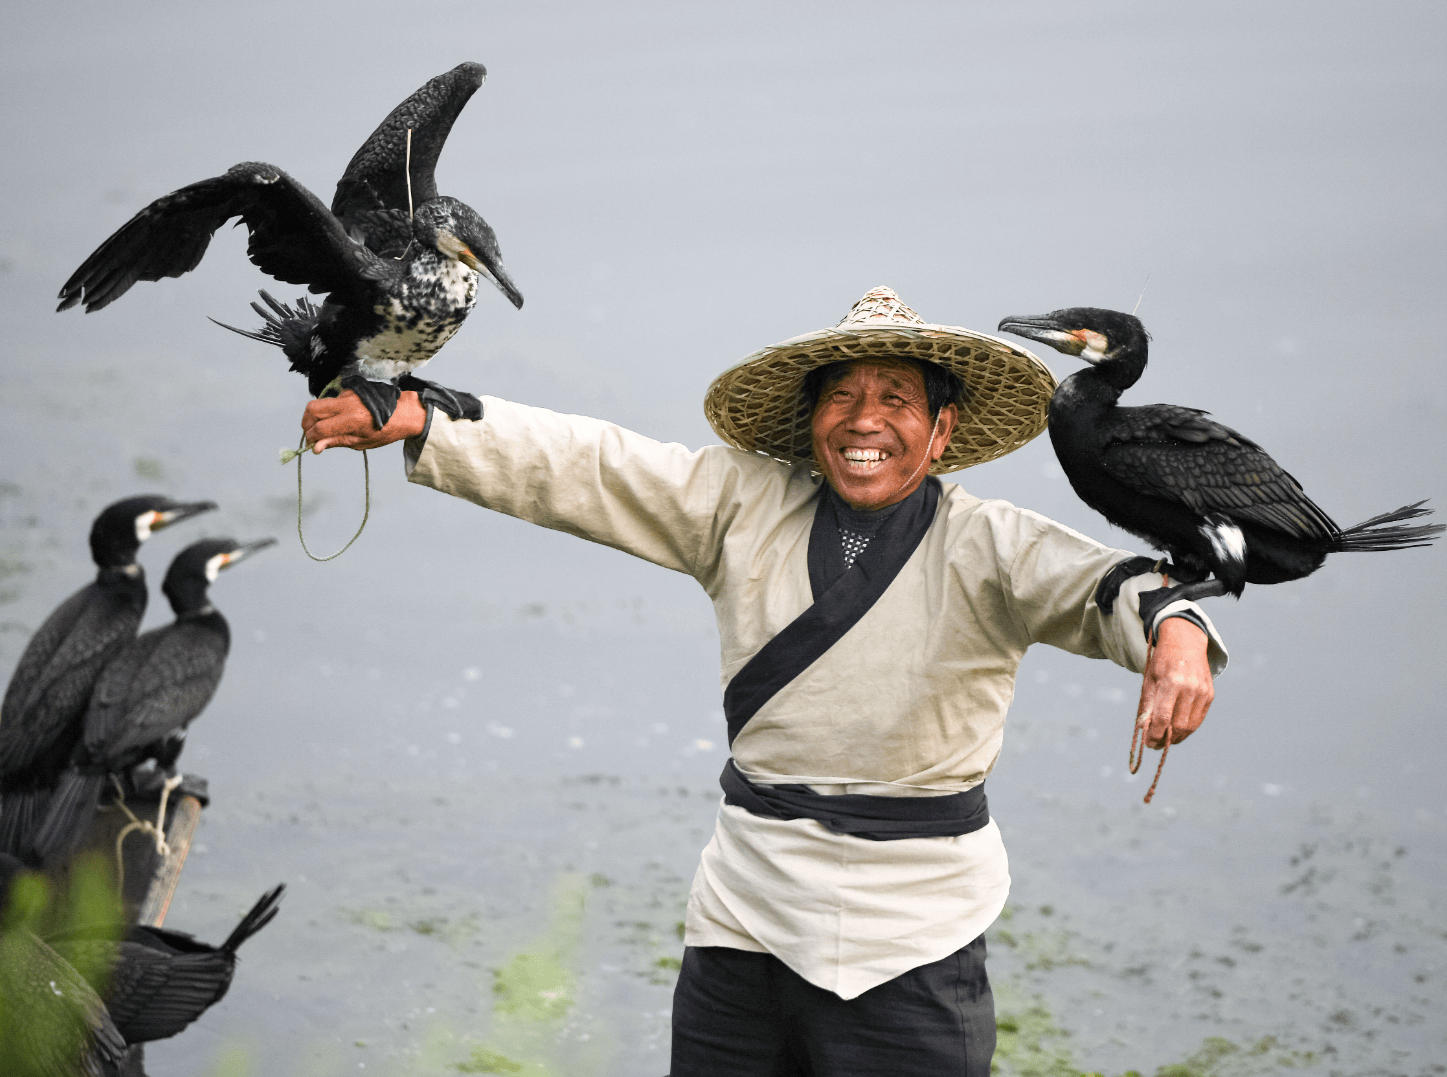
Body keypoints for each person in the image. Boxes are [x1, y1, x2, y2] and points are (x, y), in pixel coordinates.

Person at [300, 288, 1222, 1076]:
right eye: (844, 397)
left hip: (913, 937)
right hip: (742, 919)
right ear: (810, 419)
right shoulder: (739, 502)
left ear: (942, 431)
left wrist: (1175, 630)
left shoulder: (993, 543)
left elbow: (1109, 585)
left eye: (896, 399)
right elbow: (592, 465)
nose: (865, 421)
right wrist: (425, 413)